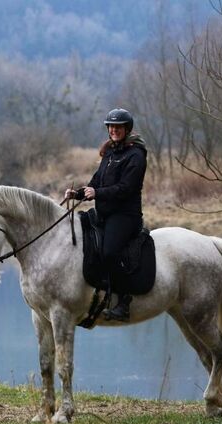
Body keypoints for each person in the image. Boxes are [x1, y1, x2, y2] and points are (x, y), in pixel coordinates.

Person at [65, 108, 147, 322]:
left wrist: (98, 193)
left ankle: (124, 301)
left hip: (125, 216)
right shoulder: (110, 152)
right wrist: (78, 194)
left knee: (109, 251)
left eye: (118, 127)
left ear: (126, 129)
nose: (113, 130)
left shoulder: (136, 156)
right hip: (104, 212)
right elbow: (96, 181)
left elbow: (125, 188)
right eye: (110, 126)